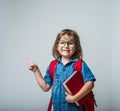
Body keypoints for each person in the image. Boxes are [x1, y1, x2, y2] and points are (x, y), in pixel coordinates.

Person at [28, 29, 96, 111]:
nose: (66, 46)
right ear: (57, 46)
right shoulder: (53, 65)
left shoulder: (80, 64)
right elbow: (45, 87)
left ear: (76, 47)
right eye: (62, 42)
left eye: (70, 43)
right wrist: (36, 71)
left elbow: (90, 83)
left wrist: (75, 98)